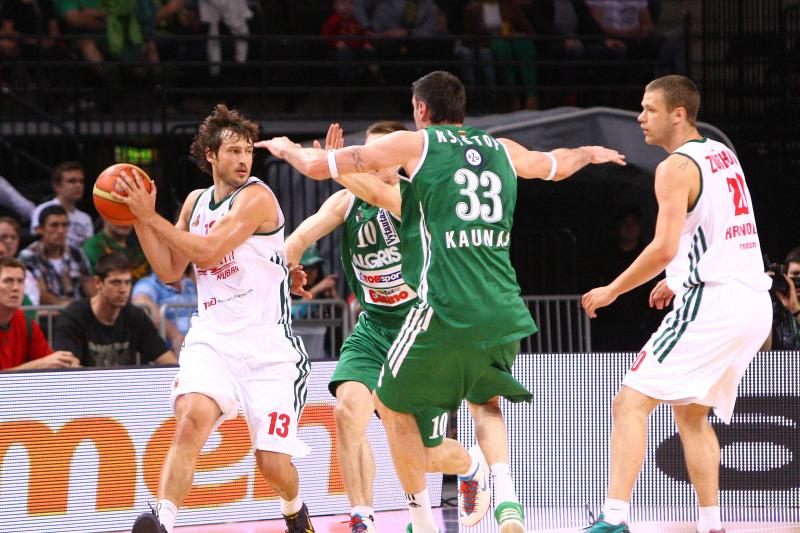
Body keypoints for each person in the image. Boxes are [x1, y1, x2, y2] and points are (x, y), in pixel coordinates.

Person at [259, 70, 626, 533]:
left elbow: (330, 174)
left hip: (436, 312)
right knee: (474, 404)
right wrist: (589, 152)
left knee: (397, 416)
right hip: (496, 306)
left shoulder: (415, 159)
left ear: (420, 110)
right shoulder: (499, 149)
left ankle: (442, 498)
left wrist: (293, 150)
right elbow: (553, 163)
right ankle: (498, 501)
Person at [581, 75, 772, 533]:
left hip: (715, 302)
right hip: (752, 301)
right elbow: (716, 229)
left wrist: (612, 290)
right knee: (691, 413)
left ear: (678, 113)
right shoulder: (722, 154)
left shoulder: (675, 168)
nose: (640, 117)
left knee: (629, 402)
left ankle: (614, 518)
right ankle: (711, 523)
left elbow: (664, 247)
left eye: (649, 109)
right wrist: (678, 277)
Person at [112, 104, 314, 533]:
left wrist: (149, 216)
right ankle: (164, 522)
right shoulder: (196, 202)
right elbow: (170, 270)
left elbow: (206, 253)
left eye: (248, 151)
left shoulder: (257, 197)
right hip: (213, 340)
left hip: (268, 351)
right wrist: (137, 220)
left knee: (272, 464)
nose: (243, 159)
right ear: (210, 155)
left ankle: (295, 510)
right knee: (190, 421)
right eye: (233, 151)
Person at [53, 253, 176, 367]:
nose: (123, 289)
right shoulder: (74, 316)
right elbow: (68, 366)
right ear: (98, 283)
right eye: (116, 283)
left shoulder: (136, 317)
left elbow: (167, 360)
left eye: (127, 282)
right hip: (86, 383)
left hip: (126, 383)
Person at [0, 256, 80, 371]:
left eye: (20, 281)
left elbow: (48, 362)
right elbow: (43, 363)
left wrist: (65, 364)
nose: (16, 288)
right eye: (8, 281)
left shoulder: (24, 321)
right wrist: (38, 365)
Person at [20, 204, 95, 305]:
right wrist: (67, 307)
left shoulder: (77, 254)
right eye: (54, 225)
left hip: (78, 312)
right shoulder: (28, 257)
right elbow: (40, 294)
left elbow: (91, 289)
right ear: (40, 229)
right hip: (45, 313)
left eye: (65, 225)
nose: (61, 231)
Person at [132, 267, 197, 355]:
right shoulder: (149, 283)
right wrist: (174, 335)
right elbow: (141, 303)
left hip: (202, 348)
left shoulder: (191, 283)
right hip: (169, 352)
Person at [30, 161, 94, 249]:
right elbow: (37, 241)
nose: (78, 185)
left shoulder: (86, 218)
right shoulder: (42, 209)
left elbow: (88, 250)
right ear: (57, 186)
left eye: (81, 181)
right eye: (72, 181)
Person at [83, 219, 150, 280]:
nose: (124, 222)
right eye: (118, 217)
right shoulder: (94, 245)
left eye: (128, 218)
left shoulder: (140, 243)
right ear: (104, 216)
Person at [764, 247, 800, 350]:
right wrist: (764, 298)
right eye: (795, 274)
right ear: (786, 277)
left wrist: (795, 309)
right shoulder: (775, 308)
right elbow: (764, 350)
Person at [0, 216, 41, 306]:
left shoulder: (25, 273)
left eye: (13, 237)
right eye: (3, 237)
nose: (9, 241)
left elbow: (32, 307)